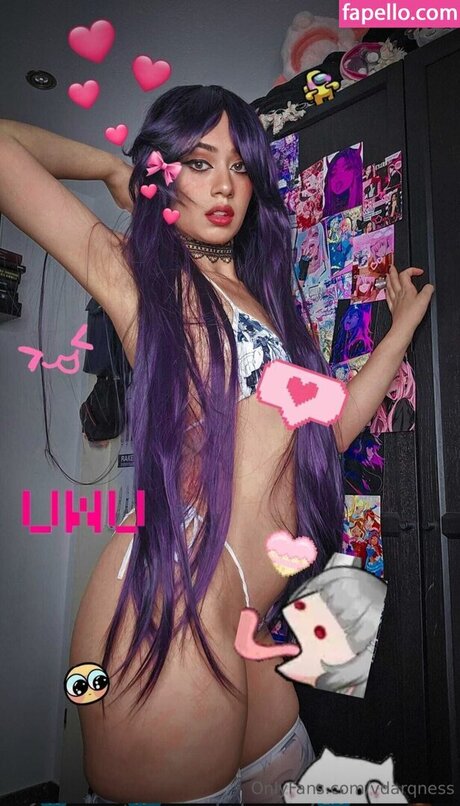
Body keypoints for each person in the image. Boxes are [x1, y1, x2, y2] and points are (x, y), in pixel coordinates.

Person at [0, 83, 434, 804]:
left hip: (247, 618)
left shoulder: (270, 301)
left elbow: (328, 433)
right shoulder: (143, 279)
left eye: (239, 165)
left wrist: (400, 331)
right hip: (173, 601)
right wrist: (111, 169)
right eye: (199, 163)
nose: (225, 184)